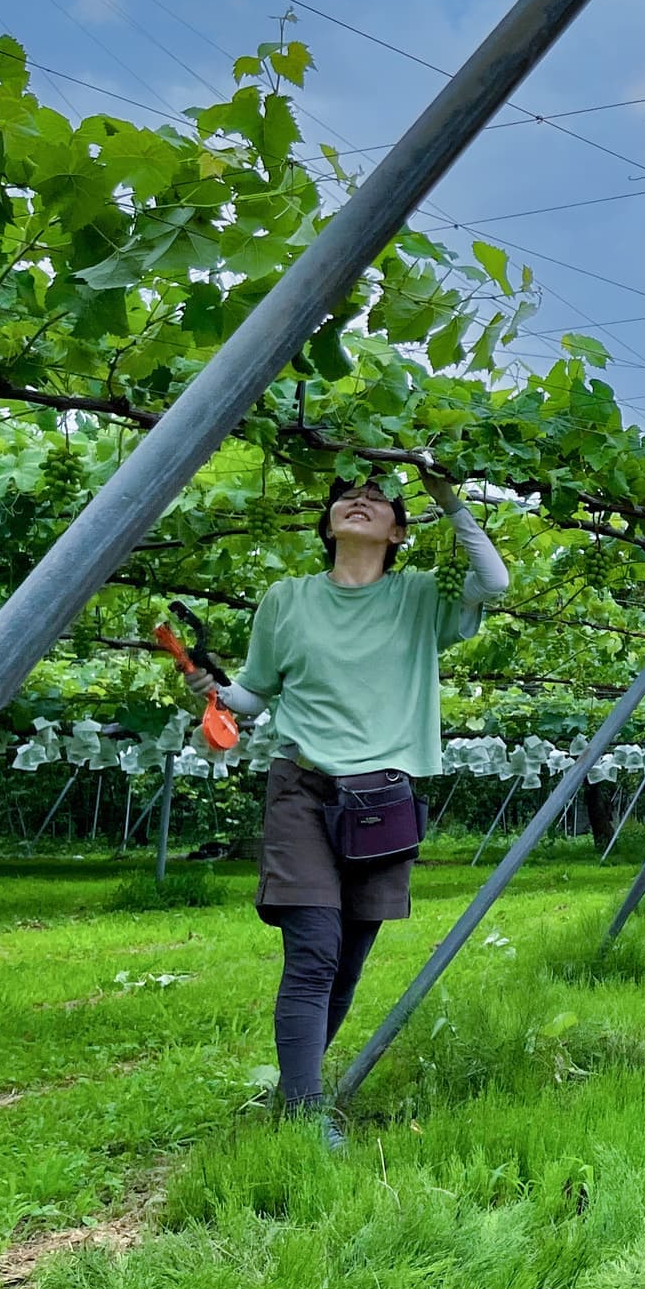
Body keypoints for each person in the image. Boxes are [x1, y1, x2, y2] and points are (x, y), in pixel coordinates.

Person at [186, 468, 510, 1145]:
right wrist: (210, 691)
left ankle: (294, 1091)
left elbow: (495, 582)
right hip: (302, 789)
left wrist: (446, 497)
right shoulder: (287, 599)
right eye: (346, 495)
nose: (359, 500)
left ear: (399, 529)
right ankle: (306, 1115)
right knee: (314, 952)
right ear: (327, 521)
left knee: (350, 960)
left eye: (380, 498)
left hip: (383, 803)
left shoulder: (423, 597)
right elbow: (256, 694)